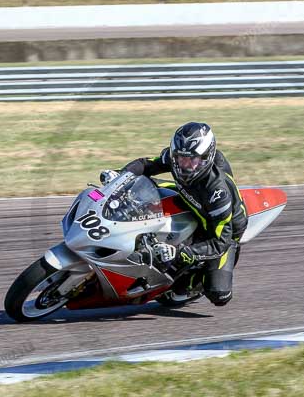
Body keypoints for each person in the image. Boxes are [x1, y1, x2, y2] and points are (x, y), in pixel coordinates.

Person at [101, 122, 247, 305]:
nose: (183, 165)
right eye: (179, 158)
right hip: (187, 197)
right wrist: (119, 177)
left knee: (219, 294)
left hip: (219, 231)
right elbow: (146, 164)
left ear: (205, 158)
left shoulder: (218, 192)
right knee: (137, 194)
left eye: (191, 160)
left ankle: (189, 284)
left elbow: (221, 242)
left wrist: (181, 252)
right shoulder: (178, 157)